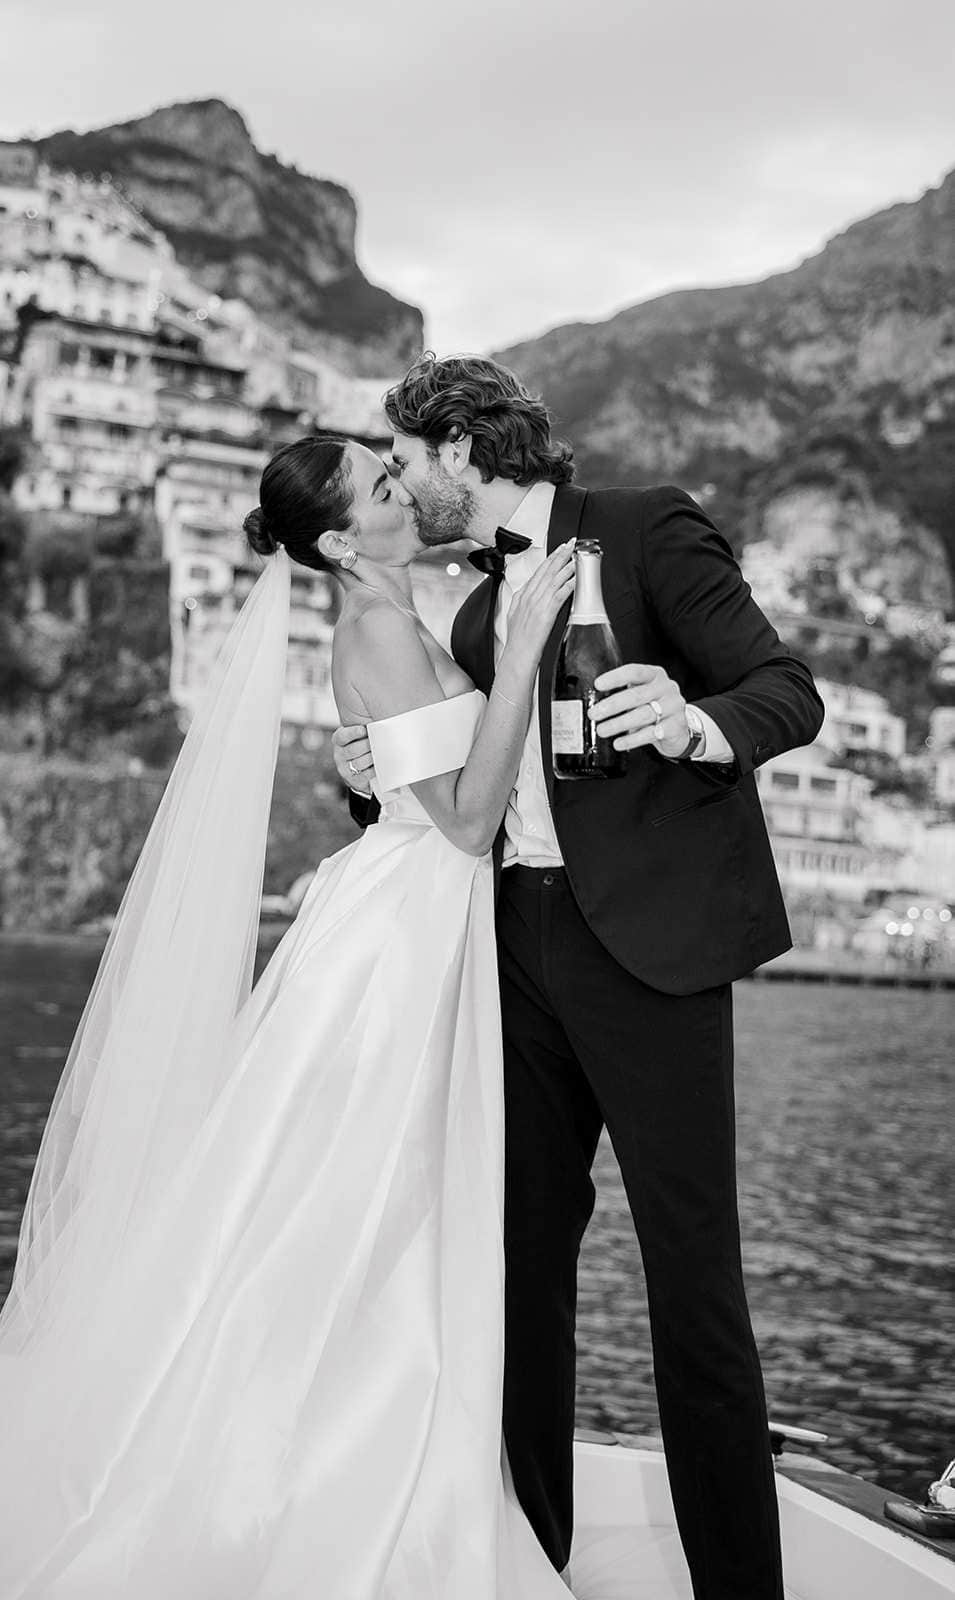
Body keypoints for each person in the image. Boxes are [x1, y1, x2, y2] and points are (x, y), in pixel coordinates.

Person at [0, 434, 578, 1600]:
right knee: (357, 1201)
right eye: (377, 484)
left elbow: (419, 790)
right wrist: (516, 661)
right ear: (335, 540)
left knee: (361, 1201)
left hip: (411, 920)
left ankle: (354, 1442)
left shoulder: (403, 616)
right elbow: (462, 823)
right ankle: (313, 1470)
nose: (401, 486)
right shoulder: (371, 630)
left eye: (389, 468)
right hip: (397, 943)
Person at [334, 354, 826, 1599]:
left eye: (403, 458)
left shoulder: (643, 525)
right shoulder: (466, 600)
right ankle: (528, 1559)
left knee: (692, 1282)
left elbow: (786, 689)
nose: (398, 481)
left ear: (458, 447)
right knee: (517, 1264)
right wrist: (365, 768)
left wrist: (694, 718)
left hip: (653, 955)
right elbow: (446, 777)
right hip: (514, 945)